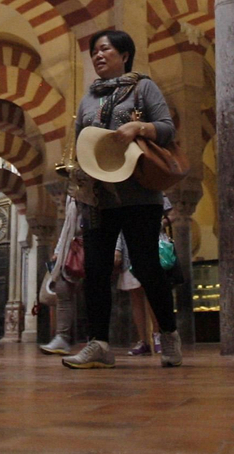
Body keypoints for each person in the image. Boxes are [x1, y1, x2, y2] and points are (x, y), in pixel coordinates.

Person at [61, 29, 182, 370]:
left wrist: (139, 128)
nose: (98, 56)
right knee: (96, 269)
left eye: (105, 50)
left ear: (124, 54)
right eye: (94, 52)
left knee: (145, 266)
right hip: (98, 197)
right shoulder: (88, 99)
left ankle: (169, 335)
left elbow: (167, 127)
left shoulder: (143, 87)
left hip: (139, 194)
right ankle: (99, 343)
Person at [38, 194, 82, 355]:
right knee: (63, 288)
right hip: (74, 247)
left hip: (96, 243)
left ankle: (98, 340)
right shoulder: (73, 195)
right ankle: (62, 337)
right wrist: (58, 251)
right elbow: (68, 225)